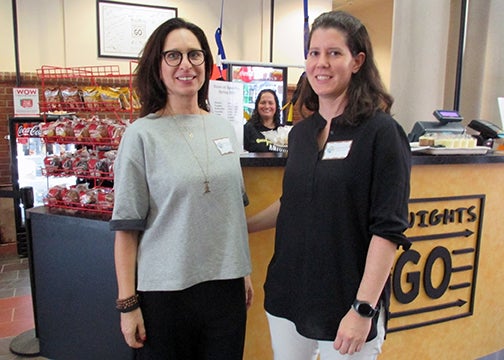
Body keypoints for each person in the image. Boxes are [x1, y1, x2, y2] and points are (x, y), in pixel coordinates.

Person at [247, 10, 411, 360]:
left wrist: (363, 309)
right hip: (287, 297)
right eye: (314, 52)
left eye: (334, 53)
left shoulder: (381, 133)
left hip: (346, 304)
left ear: (357, 61)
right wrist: (244, 226)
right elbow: (294, 200)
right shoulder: (302, 133)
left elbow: (388, 230)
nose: (321, 63)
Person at [109, 17, 253, 359]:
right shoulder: (141, 135)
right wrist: (128, 304)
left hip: (226, 291)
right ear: (157, 66)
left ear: (207, 63)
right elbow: (127, 229)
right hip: (164, 294)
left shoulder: (225, 129)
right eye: (173, 56)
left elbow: (232, 212)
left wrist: (242, 271)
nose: (186, 65)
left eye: (195, 55)